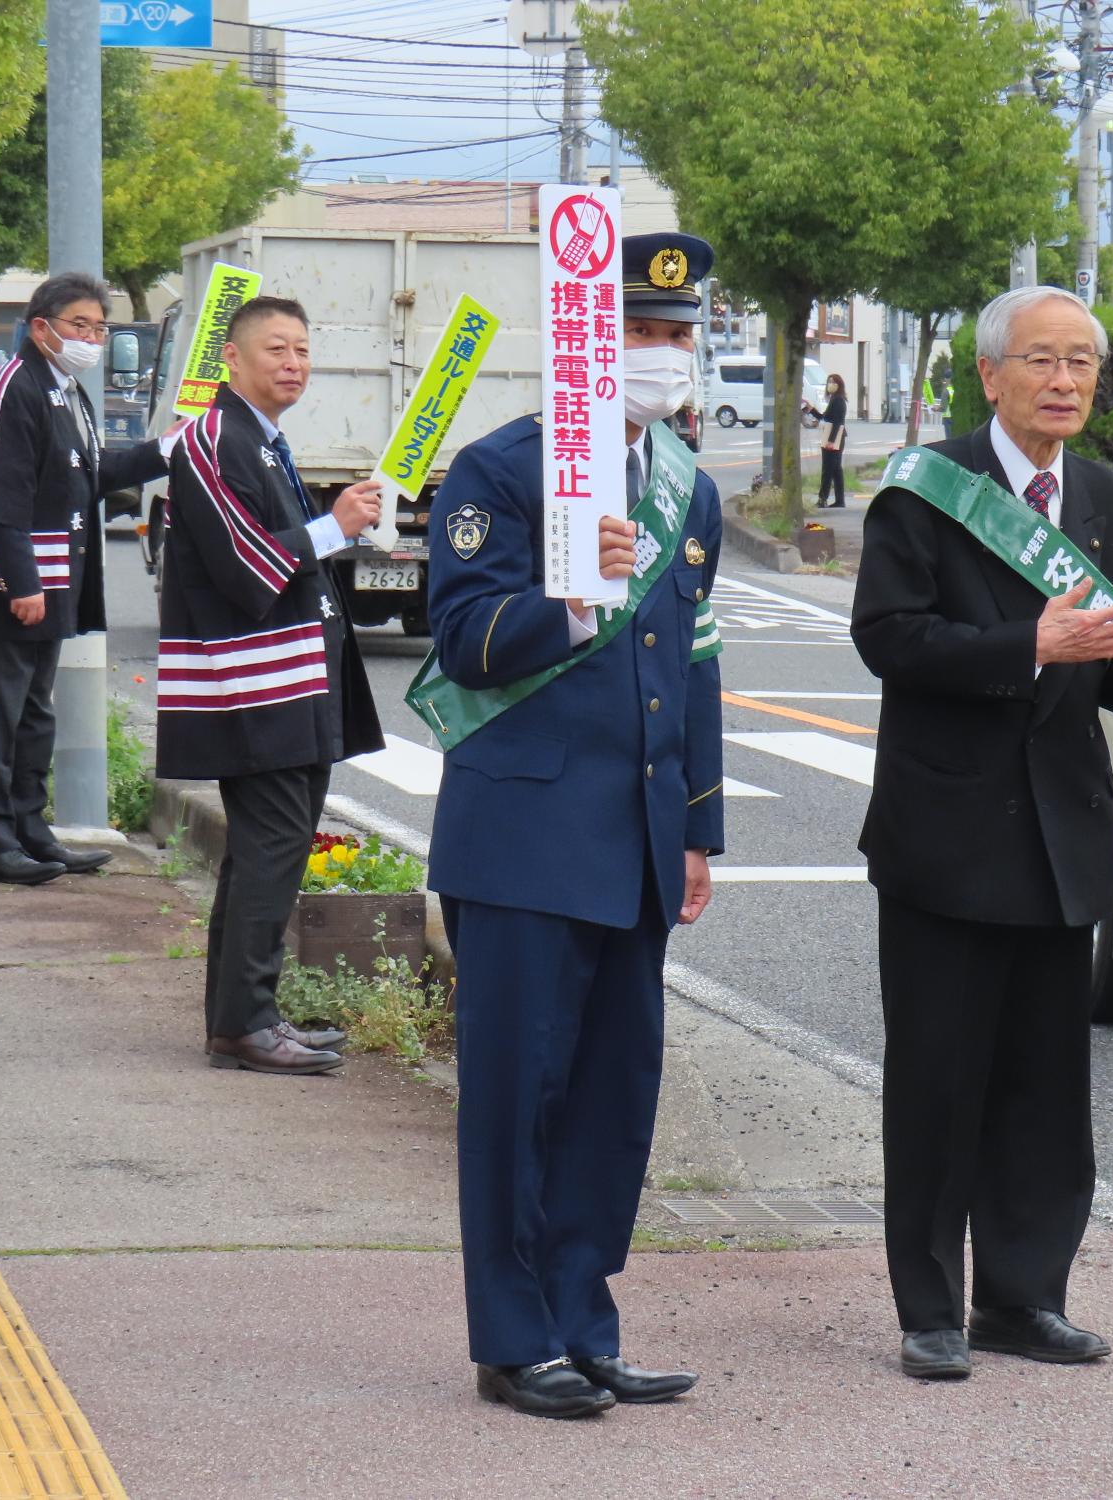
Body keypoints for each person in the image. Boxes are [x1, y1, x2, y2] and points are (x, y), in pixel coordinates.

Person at [850, 284, 1113, 1382]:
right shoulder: (925, 491)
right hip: (945, 833)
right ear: (989, 375)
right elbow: (887, 639)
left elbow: (1109, 652)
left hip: (1060, 832)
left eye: (1081, 362)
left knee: (1044, 1086)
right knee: (938, 1083)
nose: (1064, 380)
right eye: (1041, 360)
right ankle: (930, 1310)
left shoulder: (1105, 496)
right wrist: (1027, 645)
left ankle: (1023, 1299)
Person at [424, 233, 726, 1420]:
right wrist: (566, 598)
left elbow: (693, 665)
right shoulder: (501, 469)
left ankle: (581, 1324)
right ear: (584, 344)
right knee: (517, 1095)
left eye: (674, 333)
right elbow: (464, 640)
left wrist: (697, 827)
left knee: (612, 1096)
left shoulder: (685, 490)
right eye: (636, 332)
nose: (659, 353)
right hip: (523, 832)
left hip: (635, 838)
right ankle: (511, 1340)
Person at [152, 295, 385, 1074]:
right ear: (233, 357)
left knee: (264, 851)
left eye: (302, 350)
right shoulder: (214, 440)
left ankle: (242, 1019)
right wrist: (334, 526)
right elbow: (245, 566)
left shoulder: (259, 438)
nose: (293, 364)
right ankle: (248, 1021)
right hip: (256, 680)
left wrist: (332, 528)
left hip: (285, 673)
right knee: (272, 849)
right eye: (277, 349)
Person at [0, 272, 166, 885]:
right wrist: (22, 583)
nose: (91, 339)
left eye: (100, 328)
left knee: (35, 716)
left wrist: (162, 451)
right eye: (80, 326)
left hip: (50, 577)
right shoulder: (12, 387)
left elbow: (90, 472)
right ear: (41, 327)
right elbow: (1, 496)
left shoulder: (66, 389)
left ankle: (31, 831)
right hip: (3, 585)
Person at [814, 373, 848, 508]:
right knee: (835, 470)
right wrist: (811, 410)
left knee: (828, 469)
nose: (831, 385)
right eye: (829, 382)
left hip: (835, 438)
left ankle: (823, 499)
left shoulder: (838, 400)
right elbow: (825, 417)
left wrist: (831, 440)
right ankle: (840, 500)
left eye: (834, 382)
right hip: (836, 438)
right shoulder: (835, 399)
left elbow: (838, 422)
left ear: (839, 385)